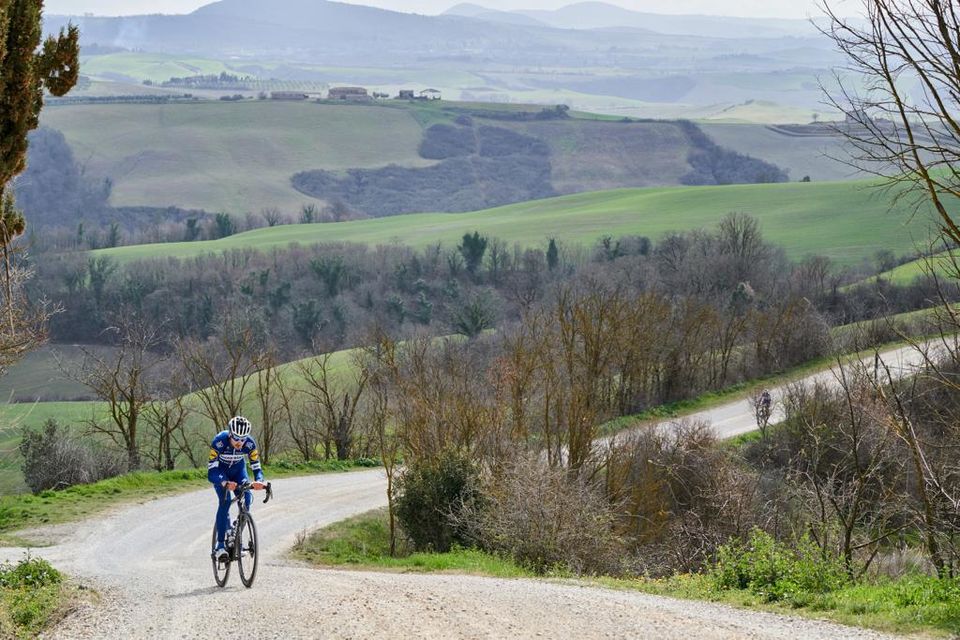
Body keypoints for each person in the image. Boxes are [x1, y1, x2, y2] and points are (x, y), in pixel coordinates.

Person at [208, 416, 266, 561]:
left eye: (243, 439)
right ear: (230, 434)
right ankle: (220, 546)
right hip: (221, 473)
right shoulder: (219, 442)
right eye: (236, 439)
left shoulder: (250, 444)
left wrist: (259, 481)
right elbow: (211, 472)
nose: (240, 443)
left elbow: (256, 466)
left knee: (246, 498)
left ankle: (236, 533)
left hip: (239, 471)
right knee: (225, 502)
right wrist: (224, 483)